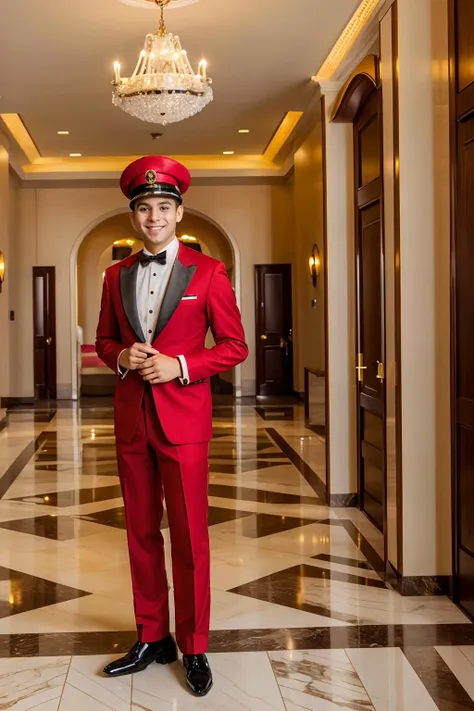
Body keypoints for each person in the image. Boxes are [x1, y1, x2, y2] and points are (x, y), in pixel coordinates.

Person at [95, 155, 248, 696]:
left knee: (188, 537)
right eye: (143, 208)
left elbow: (235, 347)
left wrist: (180, 365)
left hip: (183, 422)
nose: (153, 216)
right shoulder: (115, 275)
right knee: (139, 533)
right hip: (132, 420)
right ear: (133, 216)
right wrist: (122, 358)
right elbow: (103, 342)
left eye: (163, 207)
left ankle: (195, 645)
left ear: (179, 213)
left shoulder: (209, 273)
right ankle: (151, 636)